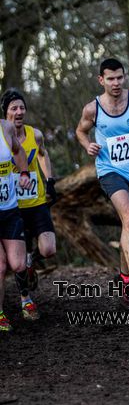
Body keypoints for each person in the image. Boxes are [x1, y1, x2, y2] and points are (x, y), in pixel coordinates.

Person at [76, 58, 129, 305]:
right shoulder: (93, 108)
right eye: (110, 79)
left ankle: (124, 278)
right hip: (109, 170)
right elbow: (80, 131)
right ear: (101, 80)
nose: (116, 83)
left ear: (124, 77)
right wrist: (87, 145)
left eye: (119, 77)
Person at [2, 88, 57, 298]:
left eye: (22, 107)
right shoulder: (3, 139)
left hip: (36, 201)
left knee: (48, 250)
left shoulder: (35, 134)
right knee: (17, 259)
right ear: (5, 112)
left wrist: (49, 180)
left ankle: (32, 260)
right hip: (13, 206)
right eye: (13, 108)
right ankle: (26, 298)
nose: (18, 112)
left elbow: (43, 155)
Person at [0, 116, 37, 332]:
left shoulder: (6, 127)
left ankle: (26, 295)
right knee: (1, 267)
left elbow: (18, 151)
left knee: (19, 265)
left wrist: (23, 172)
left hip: (10, 208)